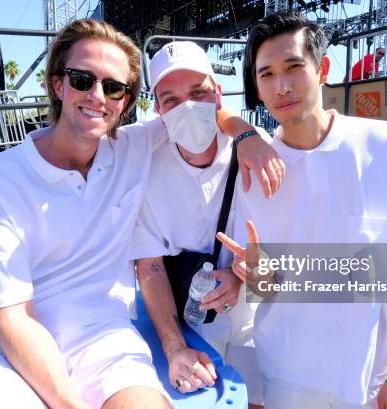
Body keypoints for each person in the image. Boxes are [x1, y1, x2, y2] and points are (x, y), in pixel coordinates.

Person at [0, 19, 283, 409]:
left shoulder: (132, 146)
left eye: (112, 87)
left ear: (125, 102)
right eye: (81, 79)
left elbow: (204, 108)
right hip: (11, 351)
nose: (97, 96)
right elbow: (12, 318)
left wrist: (246, 135)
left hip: (106, 335)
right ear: (58, 84)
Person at [217, 12, 387, 409]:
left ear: (322, 68)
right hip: (284, 376)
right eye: (266, 74)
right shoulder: (251, 172)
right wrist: (253, 274)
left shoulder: (385, 146)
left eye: (293, 67)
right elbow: (265, 286)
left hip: (370, 380)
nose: (282, 86)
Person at [133, 41, 273, 409]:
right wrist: (175, 346)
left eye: (198, 93)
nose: (188, 107)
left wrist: (243, 277)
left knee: (257, 400)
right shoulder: (145, 165)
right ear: (157, 108)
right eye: (171, 99)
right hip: (188, 322)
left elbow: (284, 246)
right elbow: (149, 265)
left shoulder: (259, 153)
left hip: (254, 321)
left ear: (218, 94)